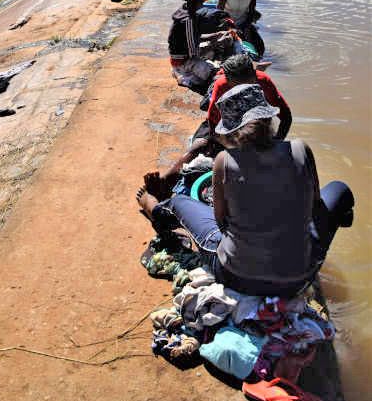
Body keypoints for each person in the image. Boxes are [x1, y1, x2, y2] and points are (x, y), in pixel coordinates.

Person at [137, 83, 354, 297]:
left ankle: (151, 203)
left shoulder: (225, 160)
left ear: (231, 131)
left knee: (179, 203)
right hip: (299, 279)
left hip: (237, 277)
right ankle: (305, 257)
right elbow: (315, 205)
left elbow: (221, 223)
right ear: (269, 120)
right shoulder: (300, 149)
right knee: (339, 190)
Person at [207, 54, 292, 138]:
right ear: (228, 80)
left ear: (254, 75)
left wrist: (279, 138)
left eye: (246, 83)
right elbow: (213, 117)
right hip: (232, 116)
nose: (243, 88)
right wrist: (215, 137)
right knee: (203, 142)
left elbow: (285, 115)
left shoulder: (263, 80)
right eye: (238, 84)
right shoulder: (221, 85)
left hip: (256, 114)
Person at [168, 0, 218, 91]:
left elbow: (191, 37)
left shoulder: (183, 10)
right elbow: (192, 53)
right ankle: (181, 76)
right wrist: (212, 45)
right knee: (211, 75)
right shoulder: (189, 20)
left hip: (180, 57)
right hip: (183, 61)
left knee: (211, 61)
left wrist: (213, 35)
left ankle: (181, 72)